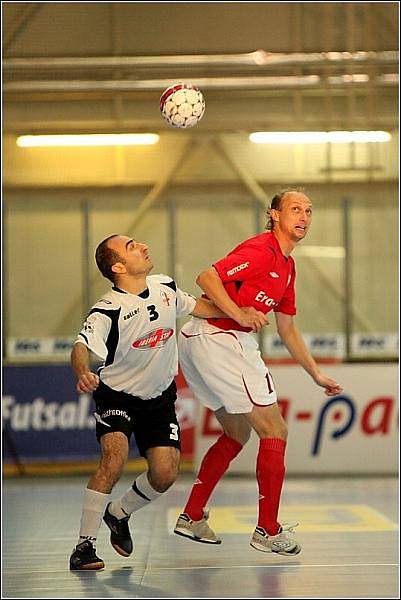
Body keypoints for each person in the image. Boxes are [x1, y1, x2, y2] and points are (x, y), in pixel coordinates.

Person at [69, 233, 267, 571]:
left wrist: (240, 314)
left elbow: (201, 307)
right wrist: (83, 371)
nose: (143, 246)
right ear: (118, 266)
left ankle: (119, 513)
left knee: (164, 474)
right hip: (118, 395)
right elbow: (81, 346)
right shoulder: (108, 309)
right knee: (114, 460)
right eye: (132, 247)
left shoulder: (165, 288)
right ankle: (84, 547)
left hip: (159, 398)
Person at [174, 188, 343, 556]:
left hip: (200, 339)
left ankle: (191, 514)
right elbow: (206, 277)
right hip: (222, 338)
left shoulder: (287, 266)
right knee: (274, 429)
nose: (304, 216)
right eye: (295, 209)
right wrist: (239, 313)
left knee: (236, 433)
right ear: (275, 214)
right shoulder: (262, 250)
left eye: (309, 211)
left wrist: (316, 373)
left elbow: (287, 330)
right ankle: (267, 529)